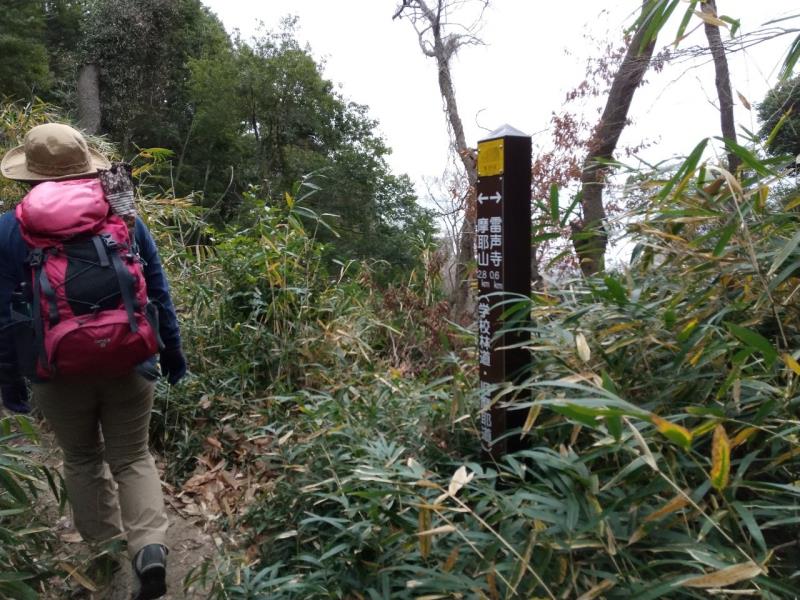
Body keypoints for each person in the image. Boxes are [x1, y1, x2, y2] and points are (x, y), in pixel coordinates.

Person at [0, 123, 187, 600]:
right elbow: (157, 291)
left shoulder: (7, 230)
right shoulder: (122, 215)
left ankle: (105, 559)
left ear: (29, 175)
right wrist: (172, 353)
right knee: (132, 456)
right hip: (130, 360)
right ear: (86, 166)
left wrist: (10, 380)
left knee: (82, 458)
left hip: (55, 371)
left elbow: (4, 316)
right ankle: (149, 549)